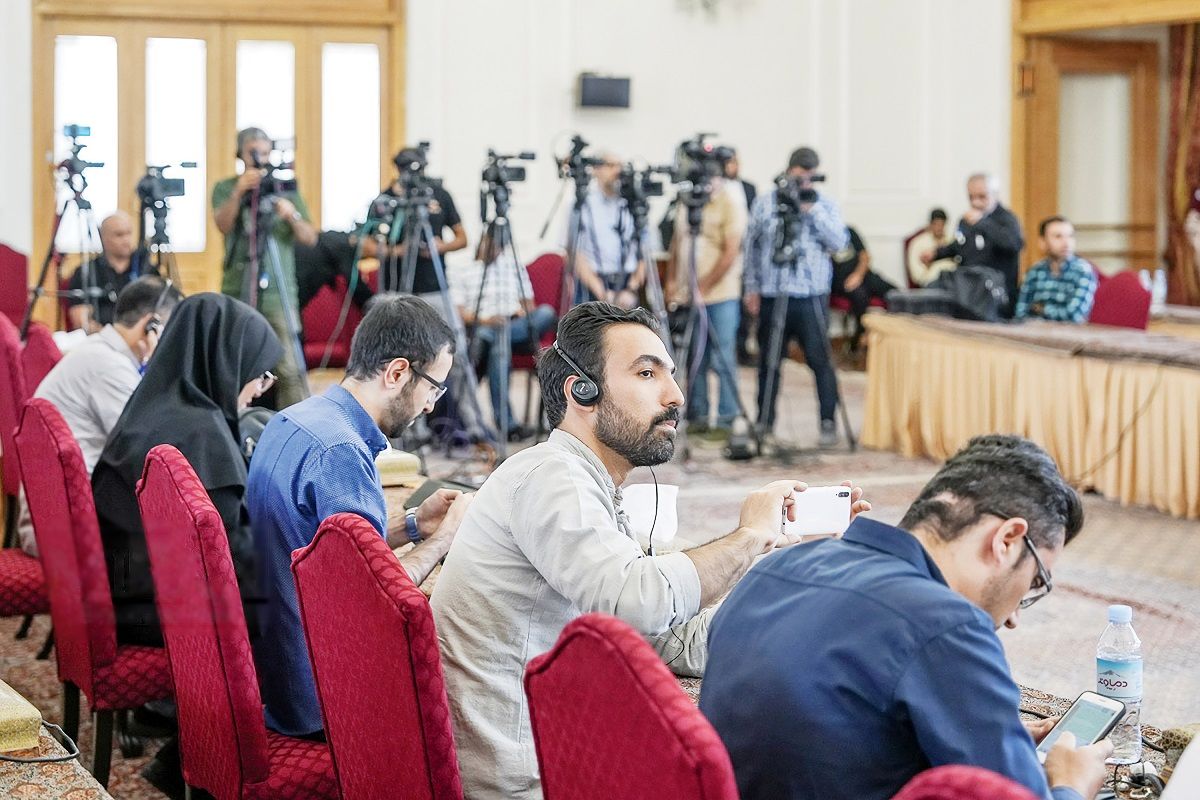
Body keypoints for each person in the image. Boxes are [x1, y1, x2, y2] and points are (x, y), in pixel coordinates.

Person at [430, 302, 868, 800]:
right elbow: (640, 602)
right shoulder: (552, 478)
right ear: (582, 391)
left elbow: (670, 628)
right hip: (525, 783)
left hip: (540, 757)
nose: (675, 395)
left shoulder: (580, 483)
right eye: (646, 373)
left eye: (671, 374)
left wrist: (788, 557)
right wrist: (748, 536)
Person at [701, 434, 1111, 800]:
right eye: (1035, 582)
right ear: (1006, 539)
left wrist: (992, 742)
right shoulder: (948, 624)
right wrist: (1072, 785)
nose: (1014, 618)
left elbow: (838, 733)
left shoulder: (779, 568)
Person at [248, 294, 473, 738]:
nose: (431, 406)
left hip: (273, 669)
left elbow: (323, 548)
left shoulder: (293, 418)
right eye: (433, 387)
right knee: (471, 662)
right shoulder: (342, 452)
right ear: (397, 373)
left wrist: (414, 525)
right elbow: (374, 602)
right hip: (318, 694)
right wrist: (445, 537)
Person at [91, 293, 282, 646]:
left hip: (116, 594)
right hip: (159, 615)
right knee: (293, 591)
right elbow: (226, 562)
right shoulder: (203, 437)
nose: (259, 390)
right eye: (260, 375)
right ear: (228, 362)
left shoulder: (151, 405)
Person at [743, 146, 848, 448]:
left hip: (811, 296)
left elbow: (839, 243)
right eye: (799, 177)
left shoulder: (824, 204)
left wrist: (811, 210)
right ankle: (764, 422)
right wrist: (751, 287)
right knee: (769, 362)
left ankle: (827, 422)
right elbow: (752, 247)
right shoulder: (766, 203)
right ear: (789, 172)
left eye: (810, 178)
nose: (804, 184)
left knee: (820, 361)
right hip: (773, 293)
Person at [212, 127, 317, 409]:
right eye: (253, 153)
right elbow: (222, 225)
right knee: (234, 363)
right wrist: (239, 192)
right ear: (240, 154)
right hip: (238, 287)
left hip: (278, 295)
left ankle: (295, 422)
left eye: (265, 152)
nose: (260, 159)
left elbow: (310, 237)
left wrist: (291, 215)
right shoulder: (226, 187)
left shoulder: (285, 189)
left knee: (289, 367)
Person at [36, 276, 182, 474]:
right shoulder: (111, 367)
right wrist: (160, 367)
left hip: (57, 480)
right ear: (151, 325)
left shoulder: (98, 350)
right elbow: (148, 446)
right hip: (79, 486)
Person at [450, 235, 557, 441]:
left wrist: (519, 312)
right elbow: (461, 313)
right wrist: (487, 320)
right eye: (490, 244)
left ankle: (491, 336)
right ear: (481, 243)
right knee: (499, 347)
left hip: (517, 327)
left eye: (498, 247)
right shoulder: (465, 270)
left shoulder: (513, 268)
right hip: (484, 323)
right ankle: (508, 426)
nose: (494, 250)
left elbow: (530, 305)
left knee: (545, 312)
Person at [666, 172, 747, 438]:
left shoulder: (730, 202)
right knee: (695, 358)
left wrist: (703, 287)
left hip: (721, 296)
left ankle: (725, 419)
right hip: (687, 295)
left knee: (723, 357)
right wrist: (671, 281)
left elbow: (731, 251)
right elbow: (677, 243)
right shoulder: (687, 200)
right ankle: (697, 415)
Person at [368, 146, 468, 296]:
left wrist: (441, 247)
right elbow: (366, 247)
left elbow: (462, 239)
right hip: (395, 289)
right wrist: (398, 251)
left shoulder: (439, 195)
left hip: (433, 287)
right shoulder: (385, 201)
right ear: (398, 168)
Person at [924, 173, 1025, 317]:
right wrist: (937, 254)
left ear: (995, 195)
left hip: (995, 292)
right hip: (967, 287)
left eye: (982, 197)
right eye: (971, 197)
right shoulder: (966, 221)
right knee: (932, 291)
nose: (976, 202)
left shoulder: (1007, 220)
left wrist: (982, 223)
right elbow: (960, 245)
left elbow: (1014, 244)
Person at [568, 151, 646, 308]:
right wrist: (602, 292)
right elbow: (575, 253)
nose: (617, 171)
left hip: (627, 287)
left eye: (620, 166)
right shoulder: (583, 204)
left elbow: (644, 251)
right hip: (592, 285)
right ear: (596, 170)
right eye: (610, 165)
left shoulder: (633, 204)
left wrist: (631, 288)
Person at [67, 211, 145, 332]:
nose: (126, 240)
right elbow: (80, 321)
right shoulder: (87, 272)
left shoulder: (146, 269)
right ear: (103, 237)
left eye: (129, 233)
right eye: (119, 235)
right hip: (100, 339)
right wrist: (112, 336)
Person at [1015, 216, 1098, 323]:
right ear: (1042, 242)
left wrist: (1041, 309)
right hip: (1034, 330)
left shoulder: (1083, 271)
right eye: (1058, 237)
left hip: (1070, 332)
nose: (1066, 243)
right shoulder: (1035, 271)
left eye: (1070, 236)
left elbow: (1074, 315)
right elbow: (1020, 312)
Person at [832, 226, 897, 351]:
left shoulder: (849, 231)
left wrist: (858, 275)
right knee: (860, 297)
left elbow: (865, 256)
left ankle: (895, 335)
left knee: (895, 293)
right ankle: (858, 339)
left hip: (863, 275)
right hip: (842, 282)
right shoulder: (821, 235)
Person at [726, 152, 759, 366]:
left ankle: (742, 348)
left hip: (746, 255)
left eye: (736, 162)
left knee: (745, 307)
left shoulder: (748, 188)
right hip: (725, 255)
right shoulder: (716, 189)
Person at [295, 230, 375, 312]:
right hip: (300, 280)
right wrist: (376, 306)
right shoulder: (345, 246)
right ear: (368, 239)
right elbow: (356, 285)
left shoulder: (335, 237)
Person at [908, 208, 957, 287]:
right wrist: (929, 266)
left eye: (942, 224)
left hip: (954, 282)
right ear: (930, 224)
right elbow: (917, 276)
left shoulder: (951, 241)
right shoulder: (918, 243)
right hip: (931, 284)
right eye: (936, 224)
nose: (939, 228)